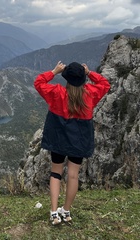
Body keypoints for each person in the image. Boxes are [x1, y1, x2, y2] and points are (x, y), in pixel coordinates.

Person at [34, 61, 110, 225]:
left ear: (66, 78)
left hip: (59, 139)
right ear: (83, 79)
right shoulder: (90, 94)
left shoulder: (57, 93)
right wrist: (90, 73)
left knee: (56, 173)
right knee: (73, 175)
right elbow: (104, 84)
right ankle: (66, 211)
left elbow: (39, 82)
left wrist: (54, 71)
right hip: (79, 141)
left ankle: (54, 213)